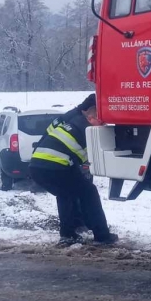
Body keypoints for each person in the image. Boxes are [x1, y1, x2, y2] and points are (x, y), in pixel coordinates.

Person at [29, 94, 117, 247]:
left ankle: (68, 234)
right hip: (56, 166)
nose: (103, 124)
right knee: (89, 192)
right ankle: (101, 236)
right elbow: (94, 158)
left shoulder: (72, 121)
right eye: (100, 120)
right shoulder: (88, 131)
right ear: (90, 117)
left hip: (37, 166)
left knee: (66, 194)